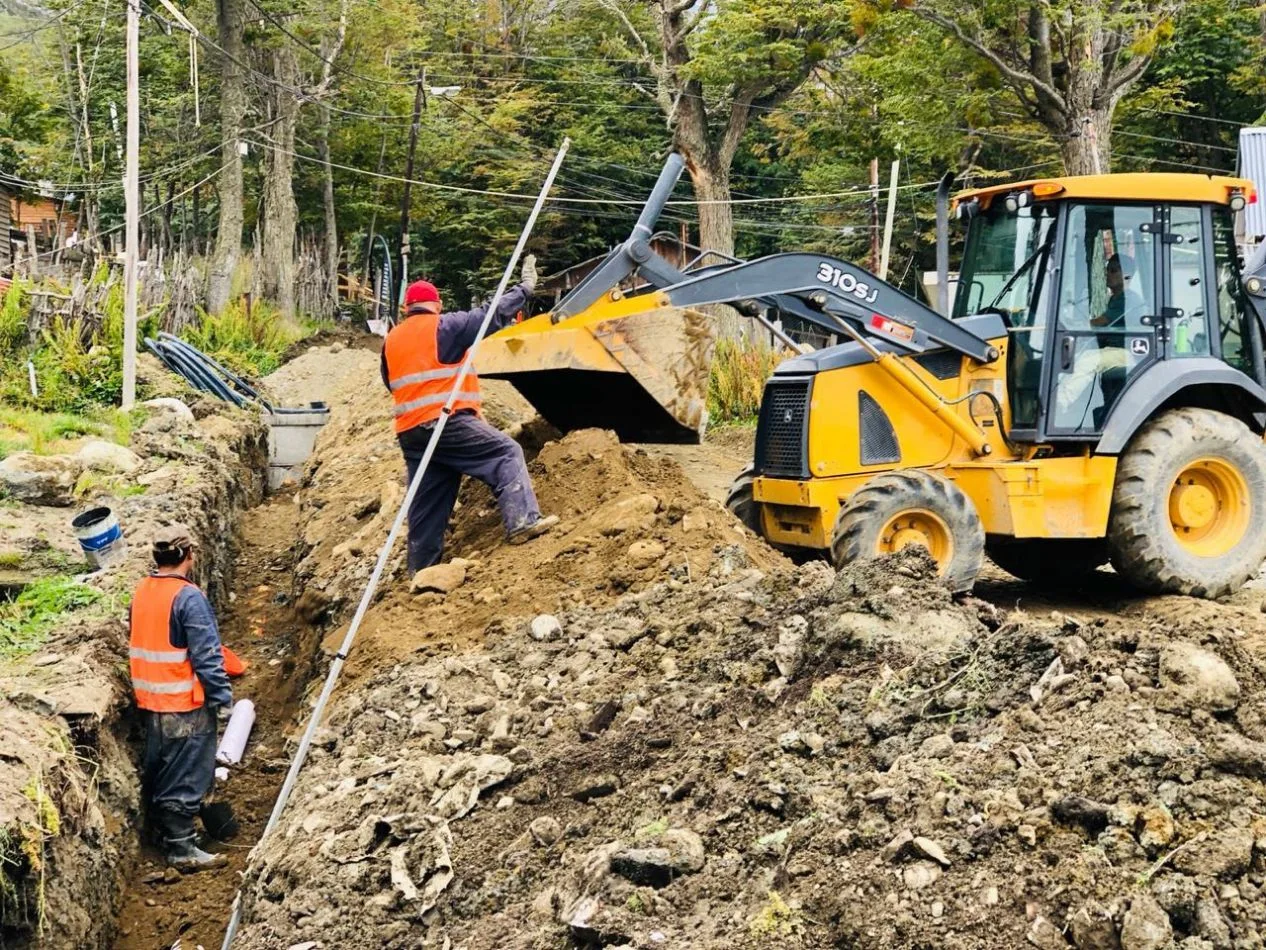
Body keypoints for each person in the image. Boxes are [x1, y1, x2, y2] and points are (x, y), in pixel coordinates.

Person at [382, 255, 558, 572]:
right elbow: (490, 314)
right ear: (436, 304)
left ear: (407, 308)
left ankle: (420, 571)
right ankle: (522, 521)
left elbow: (391, 382)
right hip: (444, 422)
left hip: (410, 433)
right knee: (506, 452)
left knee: (428, 502)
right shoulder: (445, 327)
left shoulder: (391, 340)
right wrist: (525, 289)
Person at [129, 525, 231, 872]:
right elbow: (207, 655)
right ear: (189, 556)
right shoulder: (188, 598)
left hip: (151, 700)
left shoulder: (143, 589)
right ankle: (181, 847)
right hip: (183, 703)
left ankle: (168, 836)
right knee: (186, 774)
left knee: (165, 769)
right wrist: (222, 696)